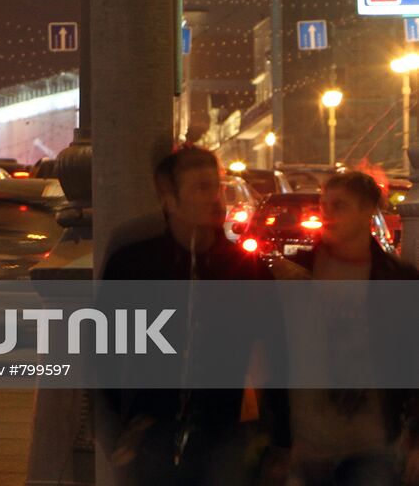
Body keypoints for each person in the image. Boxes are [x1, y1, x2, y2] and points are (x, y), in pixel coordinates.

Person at [100, 145, 284, 486]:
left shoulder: (244, 269)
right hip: (152, 431)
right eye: (201, 188)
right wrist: (116, 430)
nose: (215, 198)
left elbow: (276, 348)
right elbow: (104, 352)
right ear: (169, 199)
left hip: (226, 434)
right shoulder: (135, 266)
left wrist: (280, 439)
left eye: (217, 186)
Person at [270, 170, 419, 486]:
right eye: (324, 205)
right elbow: (276, 354)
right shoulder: (298, 273)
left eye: (340, 205)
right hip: (308, 443)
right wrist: (279, 440)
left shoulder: (396, 281)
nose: (327, 214)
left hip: (371, 441)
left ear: (367, 211)